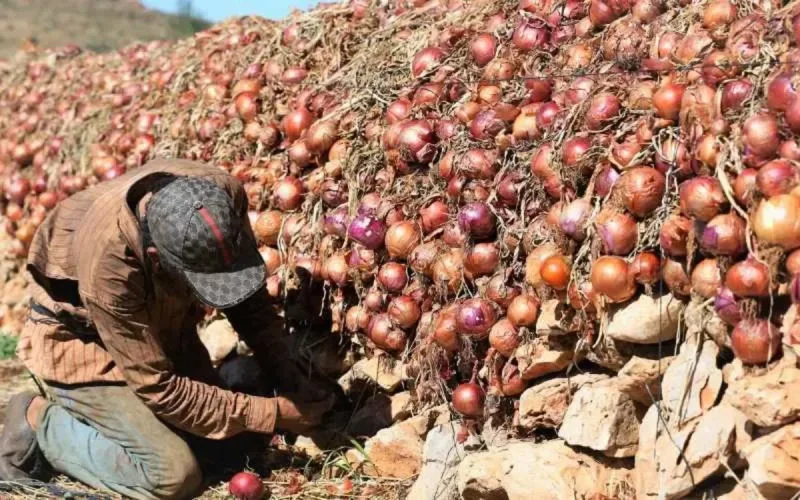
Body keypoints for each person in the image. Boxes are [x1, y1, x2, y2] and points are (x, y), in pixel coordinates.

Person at [0, 159, 335, 499]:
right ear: (155, 257)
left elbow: (250, 305)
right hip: (85, 345)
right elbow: (159, 388)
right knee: (173, 474)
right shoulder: (110, 269)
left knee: (236, 448)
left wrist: (289, 376)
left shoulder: (221, 197)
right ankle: (41, 421)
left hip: (159, 330)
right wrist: (274, 412)